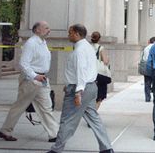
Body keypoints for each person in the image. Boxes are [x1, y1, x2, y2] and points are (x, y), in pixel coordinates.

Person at [48, 24, 113, 153]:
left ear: (77, 34)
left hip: (80, 89)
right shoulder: (87, 48)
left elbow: (81, 71)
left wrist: (78, 92)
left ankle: (56, 150)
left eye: (70, 33)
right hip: (90, 87)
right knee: (94, 119)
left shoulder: (79, 50)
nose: (68, 35)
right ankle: (106, 148)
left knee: (67, 120)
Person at [0, 21, 58, 142]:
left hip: (42, 80)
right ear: (37, 30)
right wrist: (35, 76)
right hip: (31, 80)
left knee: (46, 107)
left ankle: (54, 134)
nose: (49, 30)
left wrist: (40, 76)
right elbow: (24, 63)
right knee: (20, 106)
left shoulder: (43, 42)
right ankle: (5, 130)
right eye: (46, 28)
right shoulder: (31, 43)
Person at [91, 31, 110, 110]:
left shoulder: (88, 47)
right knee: (99, 96)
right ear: (99, 39)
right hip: (99, 74)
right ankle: (94, 113)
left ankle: (91, 113)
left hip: (89, 73)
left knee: (91, 96)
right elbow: (105, 61)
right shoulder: (100, 48)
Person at [141, 37, 155, 102]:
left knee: (147, 83)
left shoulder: (146, 48)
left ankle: (147, 98)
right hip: (154, 66)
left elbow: (144, 58)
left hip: (146, 66)